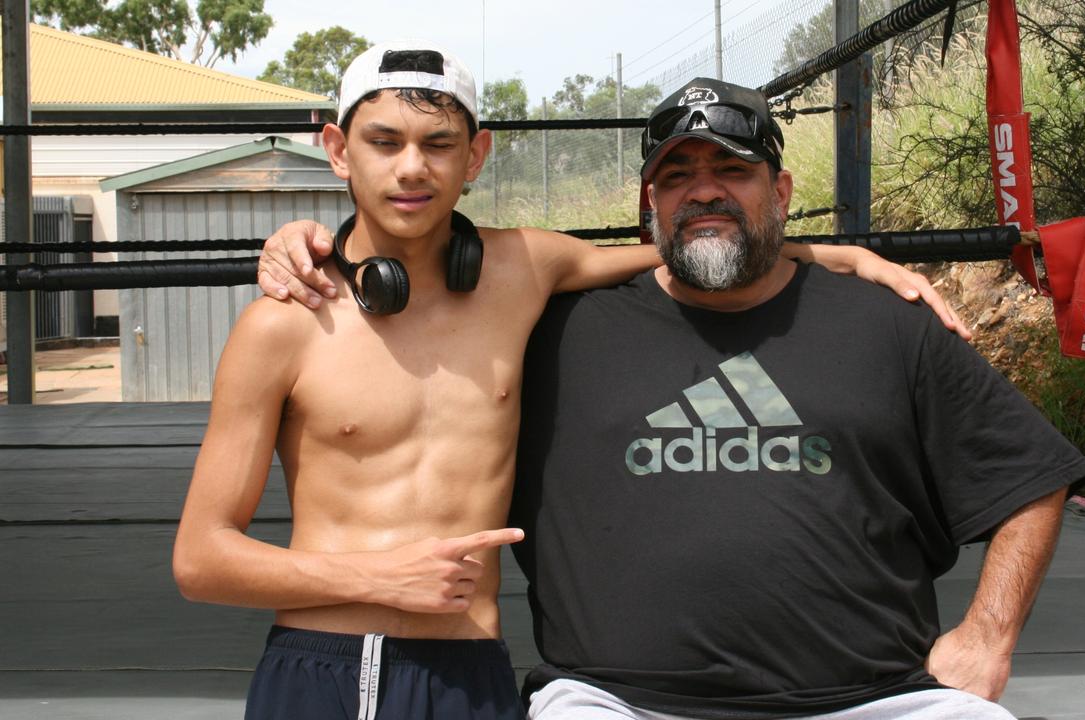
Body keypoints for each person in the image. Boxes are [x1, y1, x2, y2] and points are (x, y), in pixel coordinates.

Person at [177, 41, 960, 720]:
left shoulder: (523, 269)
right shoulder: (286, 322)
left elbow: (691, 247)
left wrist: (839, 256)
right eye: (383, 142)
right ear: (339, 151)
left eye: (438, 143)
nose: (411, 167)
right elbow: (201, 559)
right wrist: (376, 577)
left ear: (475, 156)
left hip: (471, 672)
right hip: (330, 665)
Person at [505, 78, 1085, 719]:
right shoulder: (557, 333)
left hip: (877, 701)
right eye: (678, 176)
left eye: (733, 168)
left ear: (781, 193)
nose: (704, 189)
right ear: (651, 203)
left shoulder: (885, 324)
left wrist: (988, 637)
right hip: (614, 702)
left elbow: (1031, 478)